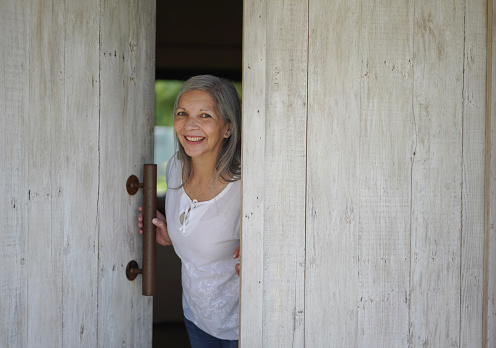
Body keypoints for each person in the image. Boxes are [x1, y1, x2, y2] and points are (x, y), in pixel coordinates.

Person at [138, 75, 241, 347]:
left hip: (241, 327)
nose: (190, 125)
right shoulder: (174, 168)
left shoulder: (246, 187)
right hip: (196, 318)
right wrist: (173, 235)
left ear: (228, 128)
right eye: (182, 113)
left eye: (205, 115)